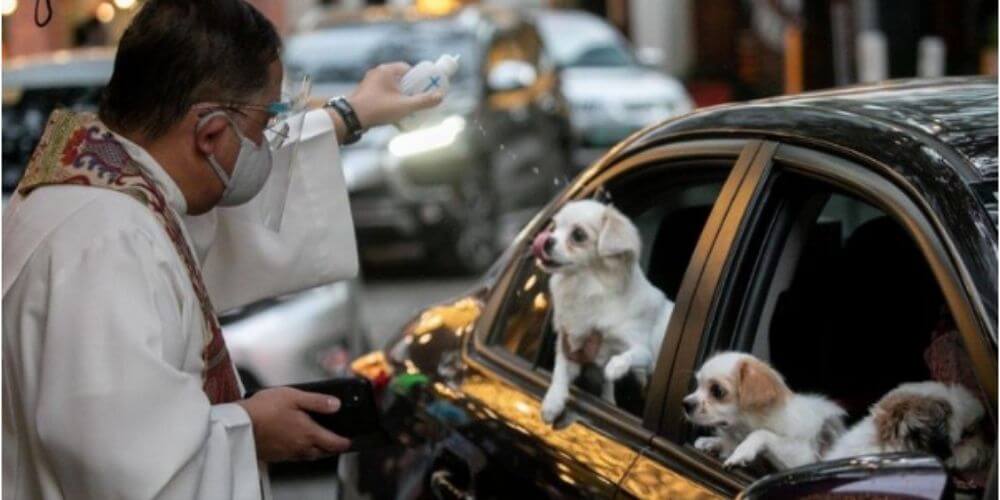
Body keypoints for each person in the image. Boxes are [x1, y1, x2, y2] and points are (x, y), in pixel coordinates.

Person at [1, 1, 441, 499]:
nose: (264, 147)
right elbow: (123, 466)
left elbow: (212, 219)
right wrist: (249, 430)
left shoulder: (101, 186)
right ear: (210, 133)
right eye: (262, 128)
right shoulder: (109, 243)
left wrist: (350, 115)